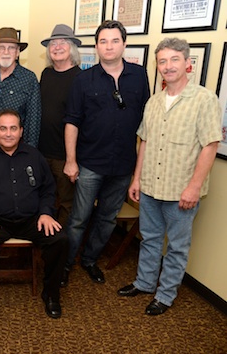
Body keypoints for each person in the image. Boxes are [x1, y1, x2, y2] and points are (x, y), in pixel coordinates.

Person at [117, 38, 222, 315]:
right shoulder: (154, 101)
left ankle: (165, 295)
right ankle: (144, 283)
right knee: (150, 239)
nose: (167, 66)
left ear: (188, 63)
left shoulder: (204, 100)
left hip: (181, 191)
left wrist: (194, 187)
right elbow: (145, 142)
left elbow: (210, 145)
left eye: (174, 60)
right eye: (162, 61)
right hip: (151, 186)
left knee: (176, 247)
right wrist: (137, 179)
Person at [62, 20, 150, 286]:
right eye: (103, 41)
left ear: (124, 44)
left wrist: (138, 173)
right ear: (96, 46)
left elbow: (147, 123)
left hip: (123, 166)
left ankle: (89, 260)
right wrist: (71, 160)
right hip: (90, 163)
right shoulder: (83, 80)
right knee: (79, 218)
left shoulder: (139, 75)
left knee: (107, 219)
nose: (109, 46)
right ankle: (65, 264)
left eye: (114, 41)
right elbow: (72, 122)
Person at [0, 109, 68, 319]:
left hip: (31, 219)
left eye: (13, 128)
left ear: (21, 131)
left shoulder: (34, 155)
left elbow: (48, 189)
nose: (8, 133)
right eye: (3, 128)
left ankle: (51, 294)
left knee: (60, 240)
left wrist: (46, 213)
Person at [38, 24, 82, 229]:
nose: (57, 47)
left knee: (66, 204)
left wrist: (72, 160)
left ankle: (61, 247)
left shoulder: (80, 78)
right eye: (53, 43)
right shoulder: (46, 74)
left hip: (65, 156)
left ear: (72, 47)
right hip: (41, 151)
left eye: (62, 42)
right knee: (42, 198)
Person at [0, 27, 41, 147]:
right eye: (1, 48)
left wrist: (30, 150)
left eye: (11, 48)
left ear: (18, 52)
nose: (6, 52)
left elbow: (33, 118)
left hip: (15, 148)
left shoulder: (29, 79)